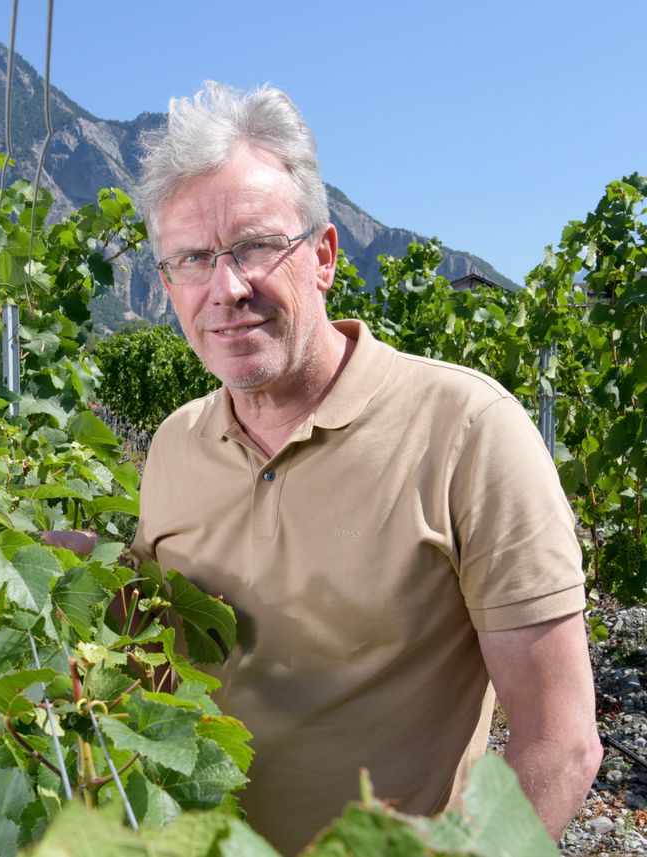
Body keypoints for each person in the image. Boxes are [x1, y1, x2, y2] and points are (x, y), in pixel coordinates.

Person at [130, 82, 602, 855]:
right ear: (166, 287)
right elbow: (173, 648)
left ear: (322, 257)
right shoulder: (175, 443)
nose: (229, 287)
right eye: (193, 259)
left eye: (255, 246)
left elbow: (560, 743)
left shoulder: (470, 431)